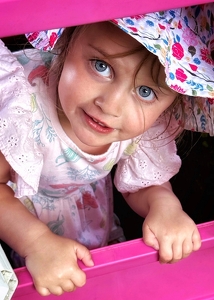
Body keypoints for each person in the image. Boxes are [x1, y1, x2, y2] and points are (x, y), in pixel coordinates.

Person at [0, 6, 207, 296]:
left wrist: (164, 205)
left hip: (91, 214)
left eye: (145, 92)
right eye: (101, 66)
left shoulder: (144, 129)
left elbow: (143, 184)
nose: (111, 105)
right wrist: (35, 242)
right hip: (21, 224)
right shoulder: (24, 110)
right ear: (66, 41)